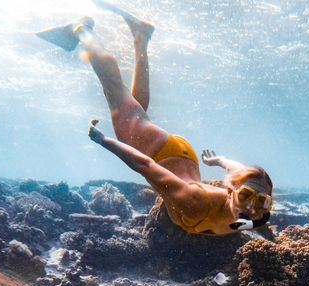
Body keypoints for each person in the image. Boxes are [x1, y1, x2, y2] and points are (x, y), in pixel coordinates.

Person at [37, 4, 273, 236]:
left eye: (262, 202)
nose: (252, 209)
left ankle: (141, 36)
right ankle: (82, 28)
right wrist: (104, 140)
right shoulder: (196, 202)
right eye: (245, 196)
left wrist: (220, 161)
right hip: (163, 154)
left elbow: (239, 170)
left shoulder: (250, 213)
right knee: (116, 94)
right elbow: (145, 166)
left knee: (135, 111)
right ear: (230, 190)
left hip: (181, 157)